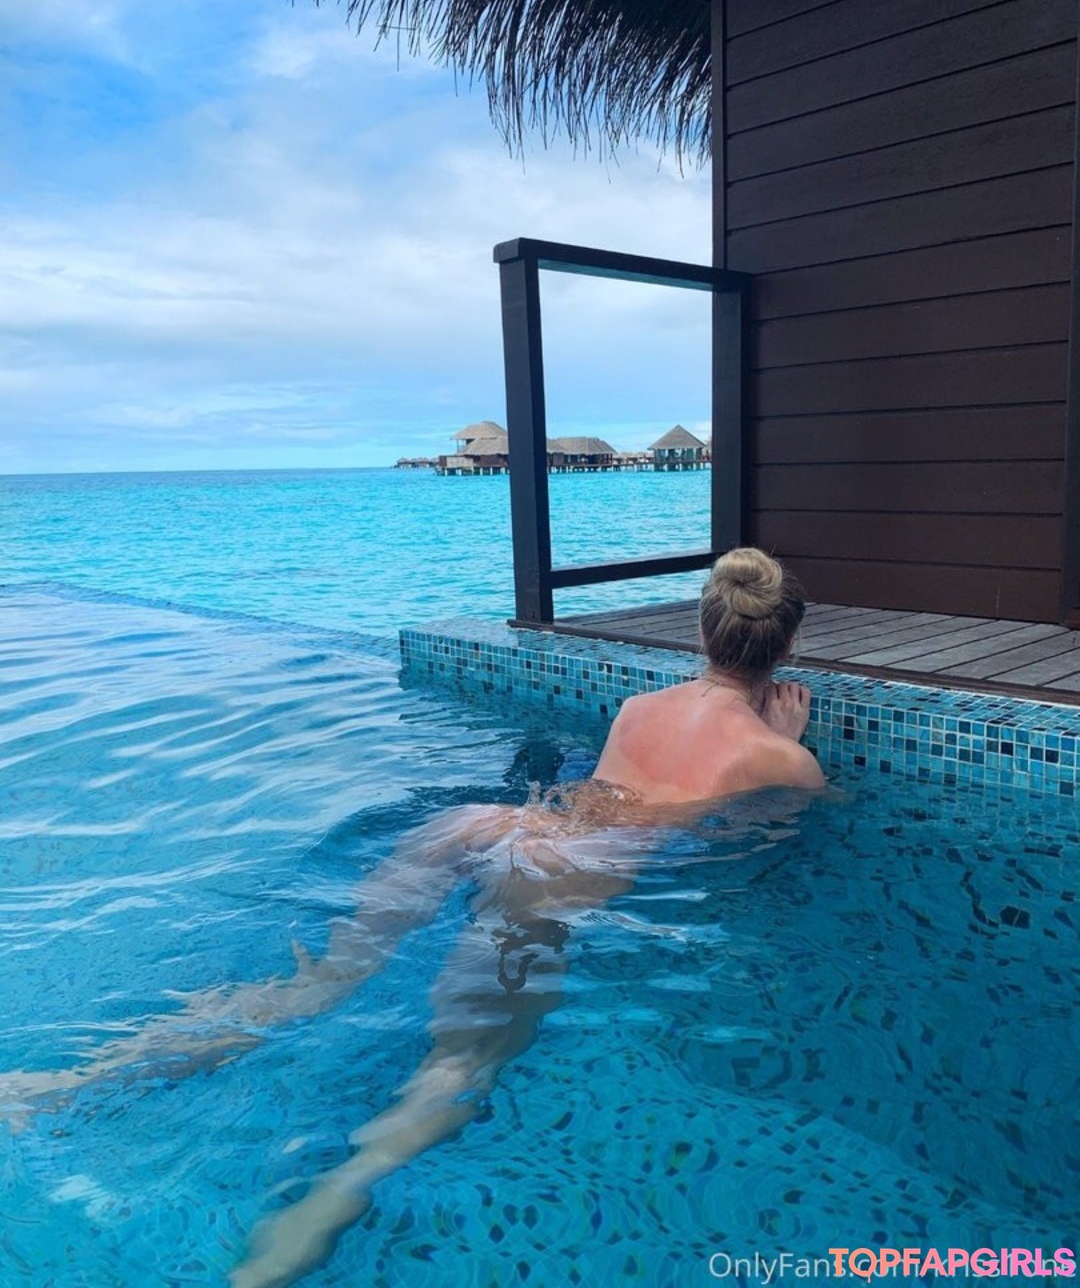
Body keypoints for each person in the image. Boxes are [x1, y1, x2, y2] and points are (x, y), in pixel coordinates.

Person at [0, 548, 824, 1288]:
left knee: (313, 985)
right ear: (785, 646)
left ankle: (63, 1084)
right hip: (559, 872)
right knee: (458, 1065)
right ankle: (294, 1236)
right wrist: (786, 741)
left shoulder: (637, 706)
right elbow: (765, 850)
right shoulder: (780, 759)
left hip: (487, 823)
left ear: (701, 630)